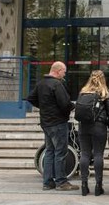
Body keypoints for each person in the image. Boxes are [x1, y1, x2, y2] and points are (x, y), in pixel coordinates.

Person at [26, 61, 79, 191]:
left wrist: (44, 107)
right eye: (64, 72)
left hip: (46, 123)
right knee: (60, 152)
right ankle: (61, 182)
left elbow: (30, 98)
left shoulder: (41, 83)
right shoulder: (57, 84)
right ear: (58, 70)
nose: (64, 74)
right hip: (58, 123)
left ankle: (47, 182)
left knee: (49, 152)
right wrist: (74, 106)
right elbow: (65, 104)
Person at [77, 70, 109, 196]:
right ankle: (98, 186)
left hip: (83, 126)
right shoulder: (104, 93)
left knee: (84, 154)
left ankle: (84, 185)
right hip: (99, 127)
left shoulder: (83, 92)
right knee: (98, 154)